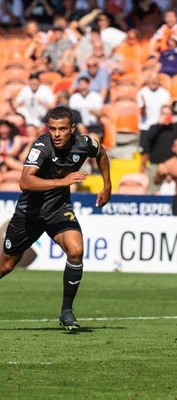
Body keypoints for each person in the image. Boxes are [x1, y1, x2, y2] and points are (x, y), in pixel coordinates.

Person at [0, 106, 112, 331]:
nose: (57, 134)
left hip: (58, 210)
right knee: (7, 265)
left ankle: (66, 311)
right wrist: (62, 182)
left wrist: (107, 185)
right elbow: (25, 182)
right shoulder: (42, 146)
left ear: (72, 128)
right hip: (29, 213)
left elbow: (101, 154)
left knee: (76, 250)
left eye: (62, 129)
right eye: (52, 129)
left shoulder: (85, 144)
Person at [140, 101, 177, 193]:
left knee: (173, 192)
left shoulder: (175, 127)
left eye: (168, 114)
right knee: (153, 193)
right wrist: (159, 125)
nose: (166, 116)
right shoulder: (154, 127)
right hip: (155, 166)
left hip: (172, 166)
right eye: (164, 113)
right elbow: (148, 138)